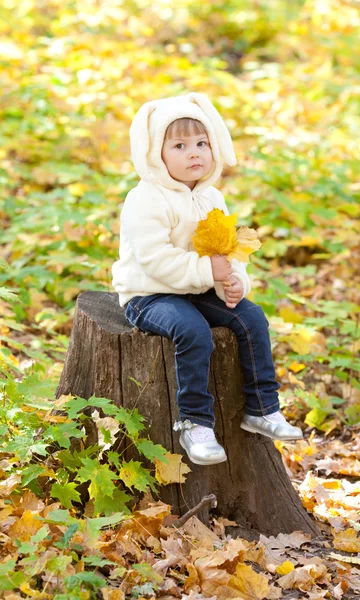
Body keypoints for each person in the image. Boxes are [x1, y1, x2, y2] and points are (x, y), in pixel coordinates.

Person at [111, 92, 303, 466]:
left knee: (251, 319)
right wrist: (206, 271)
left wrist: (234, 281)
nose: (194, 153)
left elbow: (228, 250)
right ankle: (195, 423)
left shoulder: (212, 196)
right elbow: (154, 261)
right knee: (192, 331)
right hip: (149, 295)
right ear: (156, 153)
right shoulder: (145, 198)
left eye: (201, 143)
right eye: (179, 145)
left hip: (198, 290)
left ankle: (262, 409)